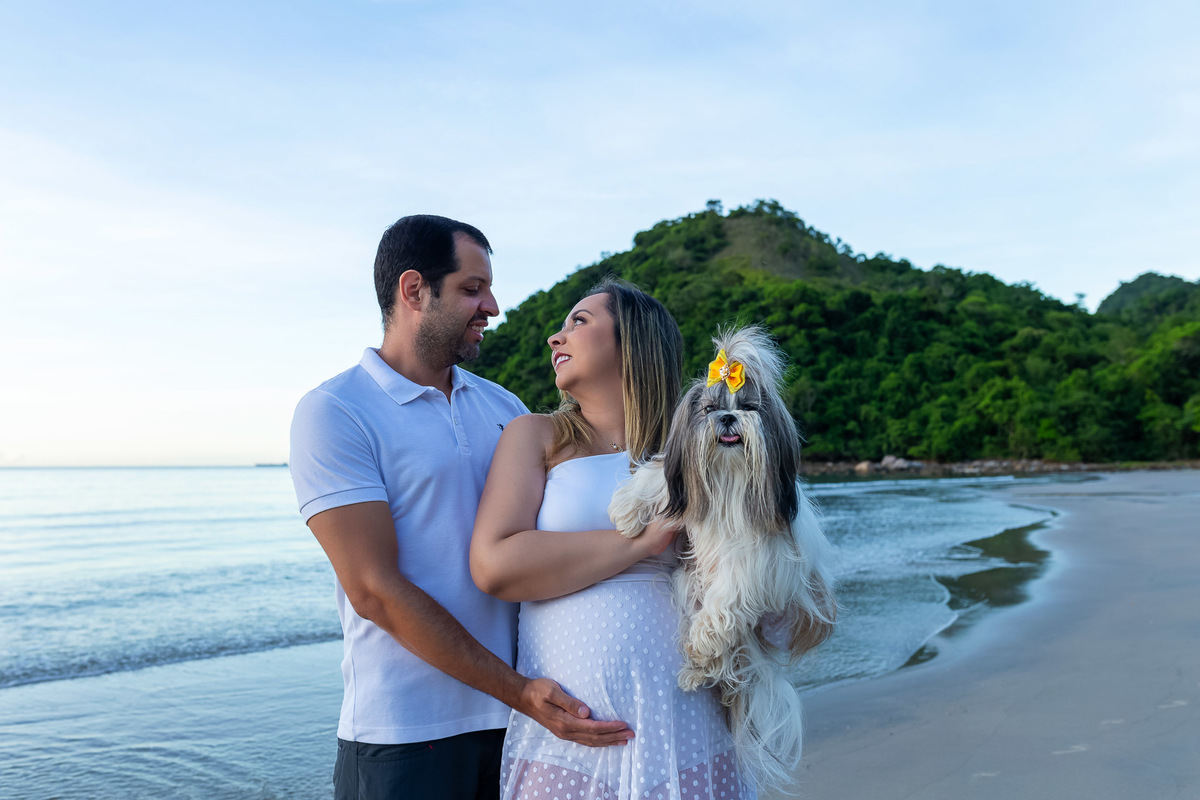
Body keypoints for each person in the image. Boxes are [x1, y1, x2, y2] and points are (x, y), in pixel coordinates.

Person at [289, 216, 640, 800]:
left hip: (529, 724)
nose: (492, 307)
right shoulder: (335, 411)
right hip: (406, 735)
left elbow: (549, 547)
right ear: (413, 290)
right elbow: (374, 590)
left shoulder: (507, 409)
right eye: (472, 289)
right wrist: (518, 690)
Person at [471, 279, 756, 800]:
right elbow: (495, 566)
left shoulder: (693, 448)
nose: (555, 338)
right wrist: (641, 543)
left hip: (687, 719)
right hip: (569, 733)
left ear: (634, 342)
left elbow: (745, 568)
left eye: (578, 322)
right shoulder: (535, 435)